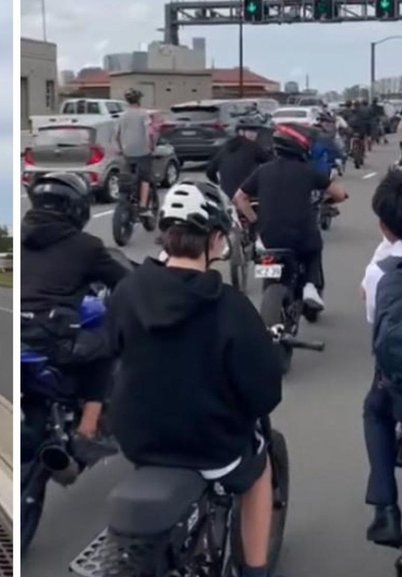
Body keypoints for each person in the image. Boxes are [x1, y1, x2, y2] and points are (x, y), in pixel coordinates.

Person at [108, 180, 282, 577]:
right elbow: (264, 393)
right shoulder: (231, 307)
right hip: (210, 445)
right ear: (216, 239)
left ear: (166, 236)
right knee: (259, 467)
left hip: (139, 438)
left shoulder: (127, 291)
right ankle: (255, 569)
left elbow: (112, 353)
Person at [21, 172, 128, 438]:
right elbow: (127, 282)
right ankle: (88, 427)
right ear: (76, 207)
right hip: (50, 337)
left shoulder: (20, 239)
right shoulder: (86, 246)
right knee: (107, 343)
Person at [234, 124, 348, 311]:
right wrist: (329, 199)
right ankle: (311, 286)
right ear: (301, 146)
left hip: (268, 236)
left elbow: (239, 198)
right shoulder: (309, 171)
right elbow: (340, 194)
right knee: (314, 249)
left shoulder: (263, 170)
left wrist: (255, 220)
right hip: (300, 236)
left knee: (267, 258)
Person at [361, 169, 402, 547]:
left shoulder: (380, 270)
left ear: (384, 226)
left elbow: (374, 324)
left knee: (375, 409)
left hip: (396, 380)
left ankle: (386, 509)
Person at [205, 116, 271, 202]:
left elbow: (210, 171)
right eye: (250, 131)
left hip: (226, 197)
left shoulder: (225, 147)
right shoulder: (253, 146)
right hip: (247, 197)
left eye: (255, 131)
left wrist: (219, 183)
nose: (254, 134)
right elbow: (272, 163)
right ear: (240, 132)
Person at [115, 88, 155, 219]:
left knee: (128, 175)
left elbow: (117, 135)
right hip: (142, 151)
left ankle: (129, 195)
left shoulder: (122, 116)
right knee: (145, 178)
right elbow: (149, 133)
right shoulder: (143, 114)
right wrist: (151, 147)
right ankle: (143, 206)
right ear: (139, 100)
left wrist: (121, 149)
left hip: (127, 152)